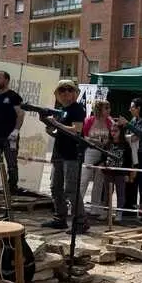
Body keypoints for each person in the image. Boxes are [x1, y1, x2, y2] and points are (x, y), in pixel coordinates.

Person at [42, 80, 87, 232]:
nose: (66, 92)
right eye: (62, 90)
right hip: (59, 153)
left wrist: (57, 124)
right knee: (55, 187)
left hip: (72, 155)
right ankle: (60, 218)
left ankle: (80, 221)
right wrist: (52, 130)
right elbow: (62, 133)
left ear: (75, 93)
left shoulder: (77, 109)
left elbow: (76, 130)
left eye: (69, 89)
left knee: (71, 189)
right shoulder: (62, 110)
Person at [0, 70, 24, 194]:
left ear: (6, 80)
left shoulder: (13, 96)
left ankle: (12, 188)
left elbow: (20, 114)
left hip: (10, 137)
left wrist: (16, 131)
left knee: (11, 164)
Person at [117, 98, 142, 220]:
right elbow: (131, 134)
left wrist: (127, 124)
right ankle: (130, 209)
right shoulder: (134, 120)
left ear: (138, 108)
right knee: (131, 180)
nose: (130, 109)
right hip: (133, 153)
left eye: (132, 107)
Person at [81, 100, 113, 219]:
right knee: (84, 178)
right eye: (106, 108)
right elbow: (84, 135)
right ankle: (77, 205)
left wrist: (105, 143)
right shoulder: (89, 120)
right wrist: (95, 141)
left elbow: (113, 137)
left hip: (104, 153)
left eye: (109, 108)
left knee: (99, 181)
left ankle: (95, 208)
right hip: (90, 151)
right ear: (99, 109)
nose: (109, 111)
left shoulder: (110, 122)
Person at [102, 123, 131, 224]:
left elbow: (128, 160)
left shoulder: (125, 145)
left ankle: (119, 213)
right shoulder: (107, 144)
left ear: (121, 132)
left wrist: (127, 173)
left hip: (120, 173)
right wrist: (102, 168)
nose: (113, 133)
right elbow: (103, 157)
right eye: (112, 131)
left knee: (121, 194)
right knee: (107, 193)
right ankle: (106, 212)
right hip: (108, 172)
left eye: (116, 131)